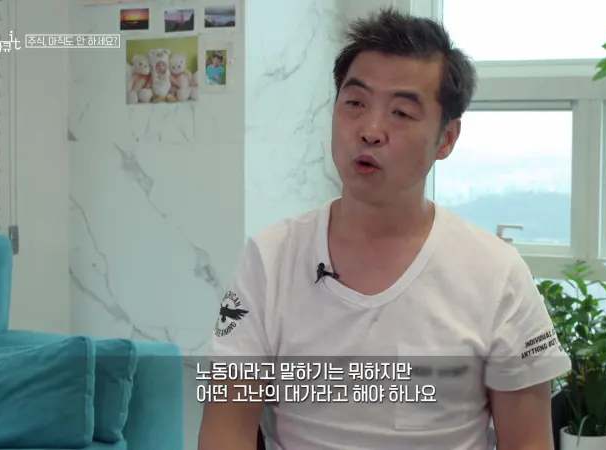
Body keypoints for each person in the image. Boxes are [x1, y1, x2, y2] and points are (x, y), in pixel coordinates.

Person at [199, 8, 570, 450]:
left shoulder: (496, 273)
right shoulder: (270, 258)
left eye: (401, 112)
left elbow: (528, 442)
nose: (370, 131)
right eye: (355, 104)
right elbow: (225, 430)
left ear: (447, 139)